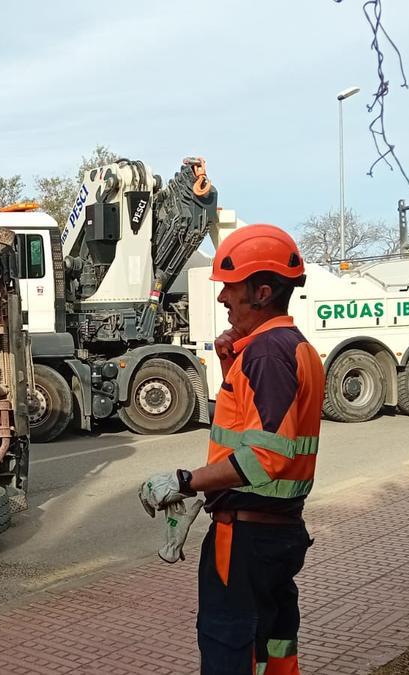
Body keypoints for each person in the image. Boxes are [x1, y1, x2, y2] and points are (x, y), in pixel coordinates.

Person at [138, 224, 324, 675]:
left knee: (230, 647)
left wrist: (185, 482)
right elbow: (255, 431)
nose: (222, 299)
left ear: (261, 291)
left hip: (246, 540)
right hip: (275, 534)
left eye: (230, 289)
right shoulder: (291, 348)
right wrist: (229, 368)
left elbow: (264, 457)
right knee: (272, 646)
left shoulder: (267, 353)